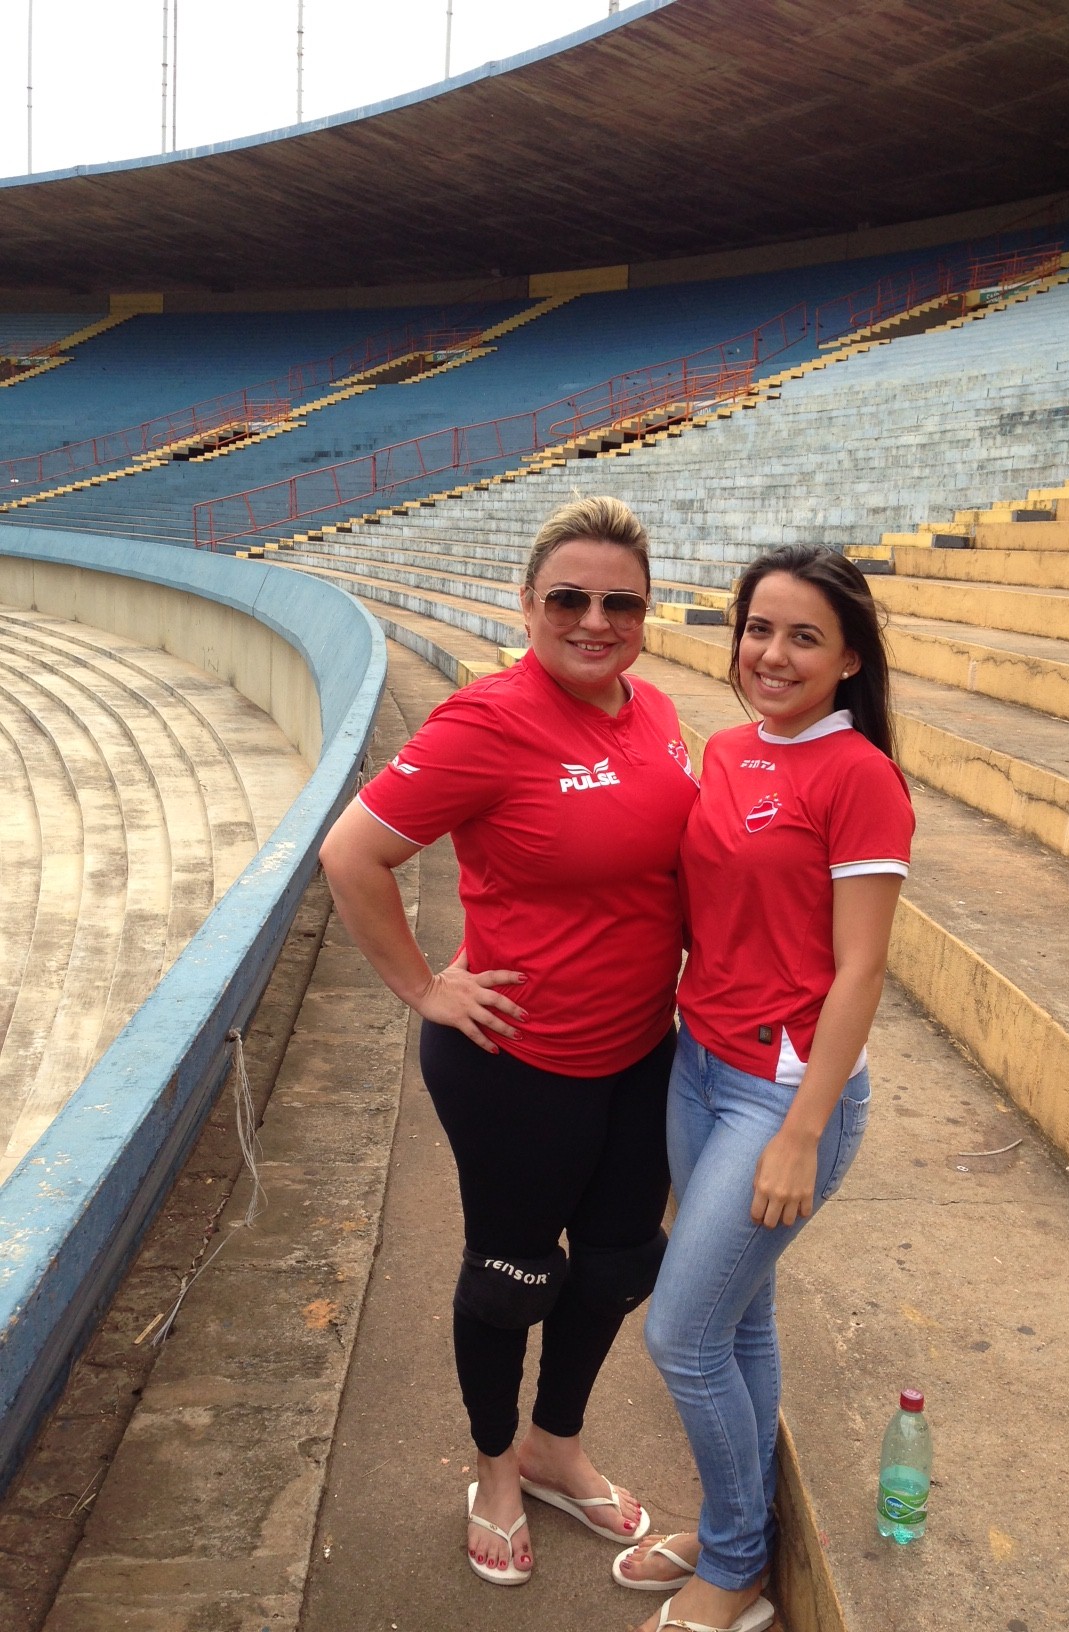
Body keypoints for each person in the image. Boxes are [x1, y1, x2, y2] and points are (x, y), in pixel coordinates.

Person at [318, 496, 699, 1588]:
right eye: (569, 599)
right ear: (529, 605)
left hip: (639, 1053)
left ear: (644, 613)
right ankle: (493, 1467)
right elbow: (353, 854)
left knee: (620, 1265)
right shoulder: (489, 721)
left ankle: (554, 1446)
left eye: (619, 602)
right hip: (518, 1069)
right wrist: (423, 986)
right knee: (510, 1279)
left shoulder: (658, 709)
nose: (595, 620)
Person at [615, 544, 915, 1632]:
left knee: (681, 1337)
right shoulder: (730, 748)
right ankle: (735, 1522)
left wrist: (801, 1129)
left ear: (847, 662)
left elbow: (863, 970)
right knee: (738, 1321)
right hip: (699, 1065)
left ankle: (738, 1564)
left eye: (804, 637)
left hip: (779, 1092)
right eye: (758, 629)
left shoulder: (861, 778)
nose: (772, 653)